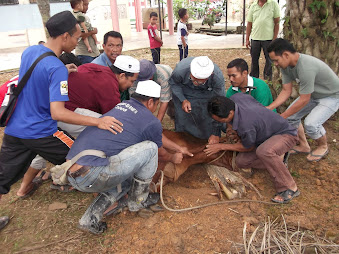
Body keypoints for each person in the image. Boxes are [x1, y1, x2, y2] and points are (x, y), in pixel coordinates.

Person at [0, 11, 122, 199]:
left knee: (2, 179)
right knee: (83, 157)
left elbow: (36, 76)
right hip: (41, 132)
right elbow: (58, 113)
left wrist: (61, 71)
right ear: (65, 36)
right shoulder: (56, 69)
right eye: (76, 37)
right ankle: (108, 199)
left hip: (15, 128)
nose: (76, 42)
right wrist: (97, 122)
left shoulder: (31, 51)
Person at [66, 80, 190, 234]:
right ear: (151, 101)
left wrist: (178, 148)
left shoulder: (121, 107)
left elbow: (155, 135)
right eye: (157, 104)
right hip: (94, 174)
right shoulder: (150, 120)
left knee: (124, 181)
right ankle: (138, 201)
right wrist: (172, 158)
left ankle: (88, 219)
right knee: (150, 148)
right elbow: (159, 150)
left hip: (73, 174)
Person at [204, 94, 299, 204]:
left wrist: (220, 146)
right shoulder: (236, 98)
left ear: (230, 113)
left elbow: (247, 147)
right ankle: (278, 159)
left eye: (222, 120)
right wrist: (232, 129)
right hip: (263, 137)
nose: (222, 123)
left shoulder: (246, 125)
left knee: (264, 152)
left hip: (284, 134)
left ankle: (289, 187)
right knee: (241, 162)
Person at [267, 38, 339, 162]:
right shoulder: (286, 66)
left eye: (276, 60)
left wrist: (282, 116)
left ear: (286, 55)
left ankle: (323, 146)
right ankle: (304, 146)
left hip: (331, 96)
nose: (275, 64)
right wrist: (270, 108)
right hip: (313, 94)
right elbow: (286, 91)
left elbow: (304, 99)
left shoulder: (306, 67)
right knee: (292, 117)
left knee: (311, 124)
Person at [169, 56, 225, 142]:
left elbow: (219, 103)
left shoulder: (217, 78)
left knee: (207, 118)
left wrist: (215, 133)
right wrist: (183, 99)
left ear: (210, 75)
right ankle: (183, 140)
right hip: (185, 91)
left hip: (206, 93)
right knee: (183, 118)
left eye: (199, 81)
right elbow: (174, 84)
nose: (195, 83)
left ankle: (206, 139)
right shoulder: (180, 70)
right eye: (193, 79)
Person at [246, 0, 280, 80]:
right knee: (254, 60)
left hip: (268, 39)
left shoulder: (273, 4)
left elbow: (277, 22)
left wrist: (274, 38)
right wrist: (247, 38)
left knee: (269, 60)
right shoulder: (253, 6)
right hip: (255, 38)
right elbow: (249, 23)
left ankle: (267, 80)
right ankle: (254, 80)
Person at [91, 31, 129, 101]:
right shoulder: (96, 66)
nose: (115, 50)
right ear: (104, 47)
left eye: (118, 46)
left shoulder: (123, 62)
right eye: (111, 45)